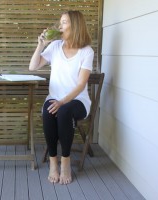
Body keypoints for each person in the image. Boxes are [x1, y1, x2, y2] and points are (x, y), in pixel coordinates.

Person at [29, 10, 94, 184]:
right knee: (48, 110)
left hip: (78, 101)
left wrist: (62, 101)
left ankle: (65, 161)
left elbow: (81, 85)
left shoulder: (86, 52)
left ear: (75, 26)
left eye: (64, 22)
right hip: (55, 97)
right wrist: (40, 45)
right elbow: (33, 67)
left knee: (64, 110)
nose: (60, 26)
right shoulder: (55, 46)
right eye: (60, 22)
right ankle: (53, 162)